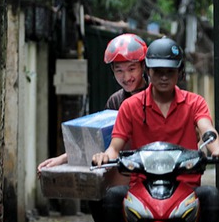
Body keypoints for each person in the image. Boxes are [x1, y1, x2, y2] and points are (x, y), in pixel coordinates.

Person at [92, 36, 219, 222]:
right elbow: (115, 146)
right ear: (149, 71)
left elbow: (207, 130)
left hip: (185, 187)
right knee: (111, 198)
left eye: (170, 71)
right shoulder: (129, 106)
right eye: (158, 71)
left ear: (179, 72)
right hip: (141, 187)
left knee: (211, 196)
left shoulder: (194, 102)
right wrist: (106, 156)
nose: (164, 77)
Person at [37, 33, 149, 171]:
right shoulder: (115, 101)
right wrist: (62, 159)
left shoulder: (157, 96)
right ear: (112, 70)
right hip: (125, 171)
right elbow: (98, 141)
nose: (126, 77)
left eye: (132, 69)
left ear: (143, 66)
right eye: (119, 70)